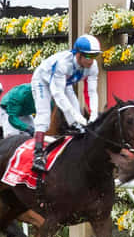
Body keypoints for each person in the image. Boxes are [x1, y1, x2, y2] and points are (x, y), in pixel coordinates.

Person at [30, 34, 102, 175]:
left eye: (95, 56)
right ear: (78, 55)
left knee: (76, 110)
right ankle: (38, 154)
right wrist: (76, 116)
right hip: (43, 81)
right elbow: (58, 95)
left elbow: (91, 92)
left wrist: (93, 115)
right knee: (44, 115)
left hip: (65, 82)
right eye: (88, 56)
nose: (91, 61)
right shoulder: (64, 63)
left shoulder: (93, 66)